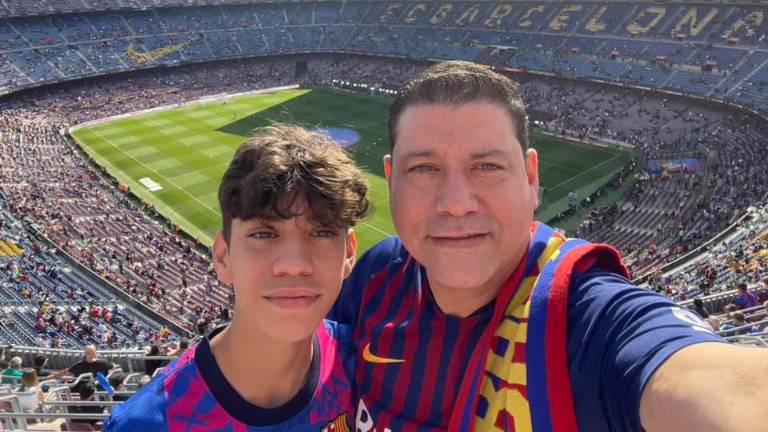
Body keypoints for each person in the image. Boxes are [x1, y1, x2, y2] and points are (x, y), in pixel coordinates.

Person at [330, 61, 768, 431]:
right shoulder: (376, 273)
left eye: (487, 166)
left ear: (531, 177)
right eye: (424, 168)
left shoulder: (588, 318)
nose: (457, 203)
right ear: (391, 179)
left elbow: (712, 384)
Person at [103, 123, 370, 430]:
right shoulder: (145, 425)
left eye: (321, 232)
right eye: (263, 234)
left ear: (349, 254)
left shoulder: (370, 367)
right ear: (222, 256)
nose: (294, 264)